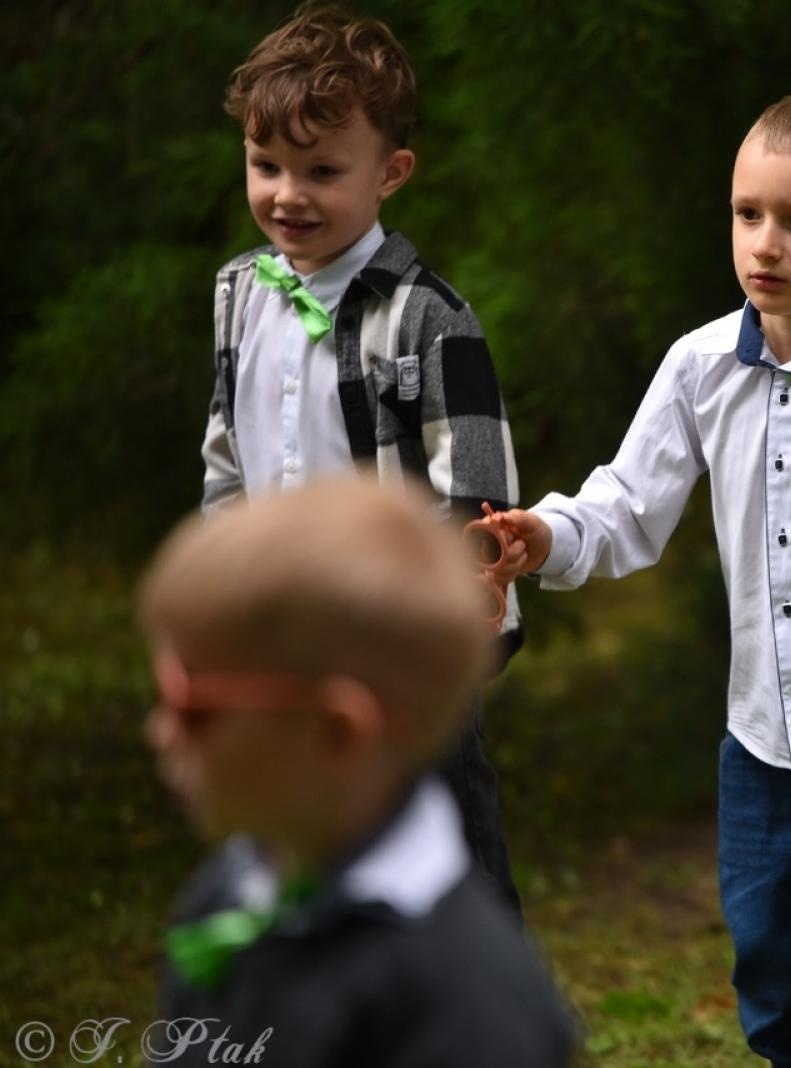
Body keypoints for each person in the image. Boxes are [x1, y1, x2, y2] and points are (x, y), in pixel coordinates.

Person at [491, 91, 791, 1065]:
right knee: (776, 988)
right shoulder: (700, 364)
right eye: (748, 214)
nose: (766, 244)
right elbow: (627, 504)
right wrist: (546, 534)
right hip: (759, 745)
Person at [198, 4, 523, 912]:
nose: (287, 195)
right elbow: (227, 454)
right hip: (280, 634)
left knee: (446, 845)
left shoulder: (428, 317)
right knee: (299, 846)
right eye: (266, 166)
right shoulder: (238, 293)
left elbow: (476, 492)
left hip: (399, 640)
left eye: (322, 171)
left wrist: (454, 625)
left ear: (391, 174)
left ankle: (480, 986)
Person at [140, 478, 574, 1067]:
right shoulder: (224, 895)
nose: (159, 732)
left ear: (339, 734)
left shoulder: (474, 1010)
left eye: (195, 709)